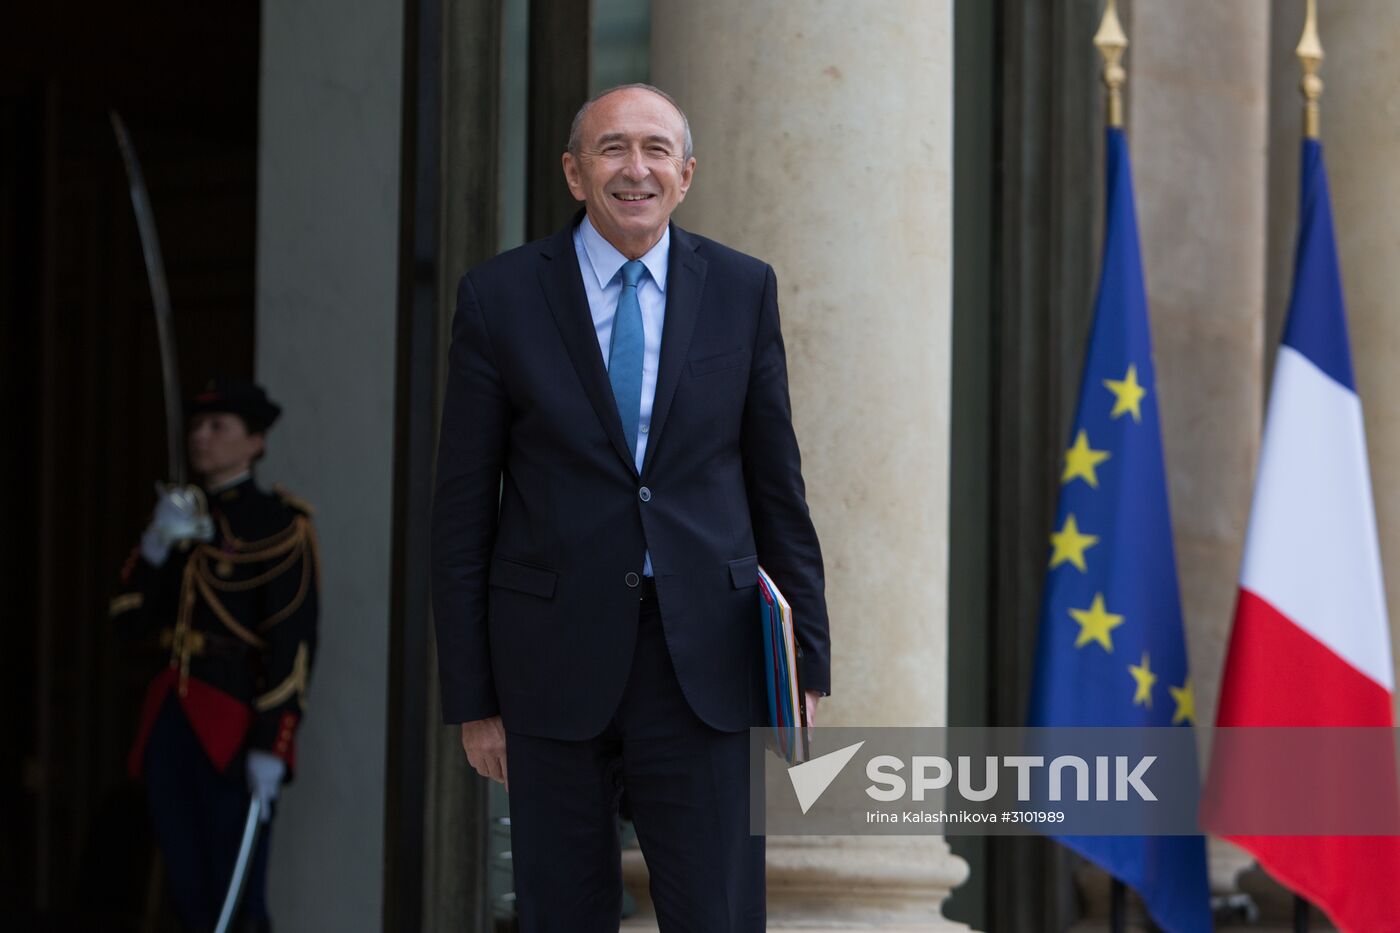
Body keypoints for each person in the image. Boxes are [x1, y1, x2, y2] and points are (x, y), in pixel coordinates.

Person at [431, 83, 829, 932]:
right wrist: (473, 695)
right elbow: (462, 509)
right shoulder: (498, 298)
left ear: (686, 175)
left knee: (717, 914)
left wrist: (807, 663)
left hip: (707, 662)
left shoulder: (741, 289)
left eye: (656, 151)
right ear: (575, 173)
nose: (634, 169)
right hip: (550, 665)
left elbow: (775, 484)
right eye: (612, 149)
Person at [109, 378, 319, 933]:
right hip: (172, 716)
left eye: (218, 427)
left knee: (238, 899)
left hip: (233, 720)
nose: (202, 437)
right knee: (187, 891)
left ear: (254, 441)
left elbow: (292, 640)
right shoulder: (179, 515)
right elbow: (127, 622)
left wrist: (274, 740)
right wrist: (156, 545)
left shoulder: (277, 524)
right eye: (197, 427)